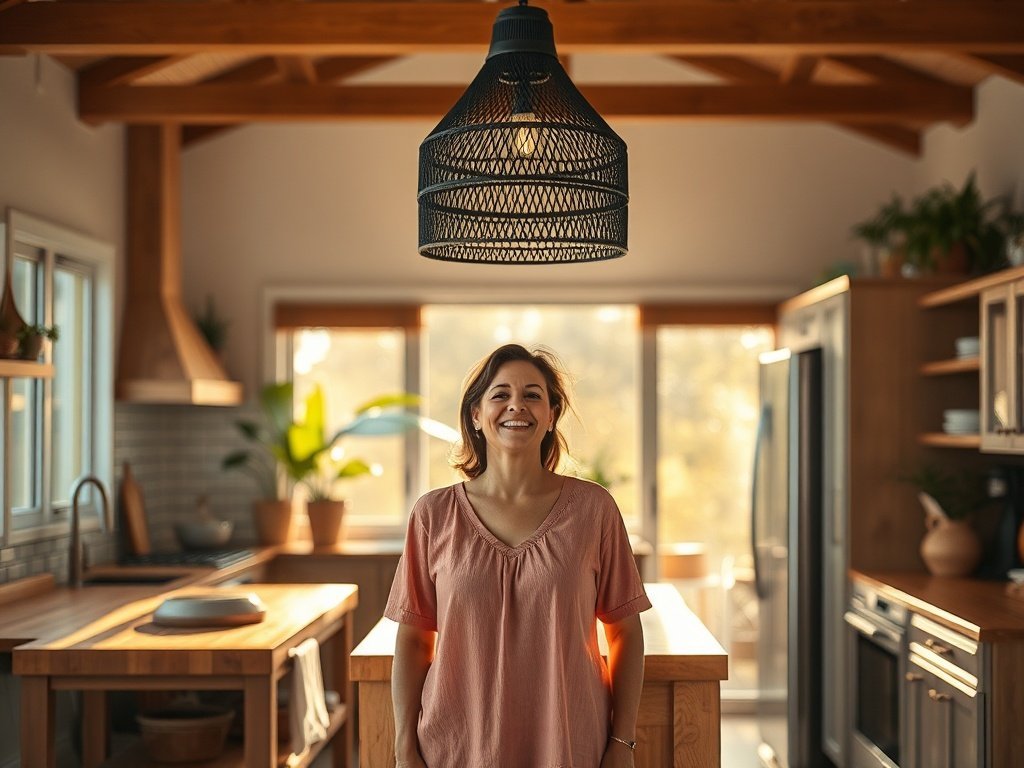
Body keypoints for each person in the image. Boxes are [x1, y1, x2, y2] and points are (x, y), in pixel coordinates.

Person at [385, 343, 651, 768]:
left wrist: (623, 742)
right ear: (476, 415)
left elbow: (625, 633)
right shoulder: (433, 514)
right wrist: (403, 748)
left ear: (550, 415)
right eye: (500, 394)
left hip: (568, 745)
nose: (517, 405)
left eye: (532, 394)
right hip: (455, 749)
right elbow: (414, 639)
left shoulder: (594, 509)